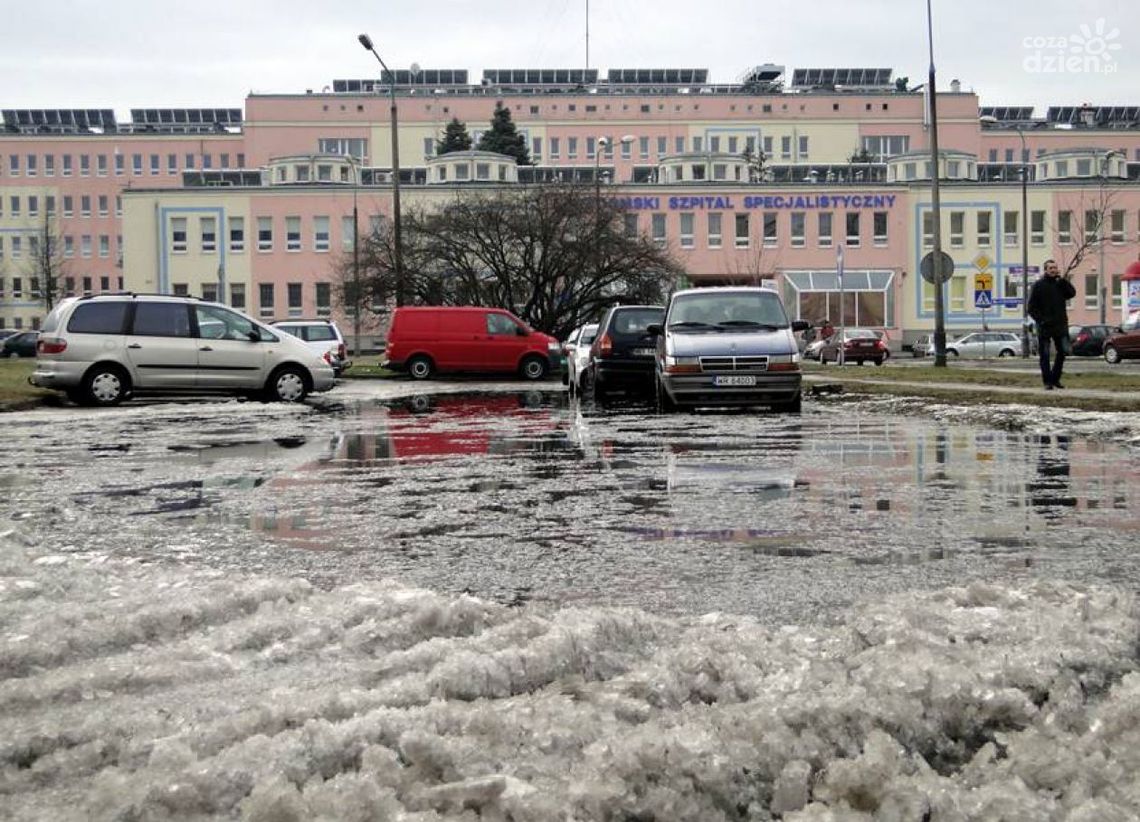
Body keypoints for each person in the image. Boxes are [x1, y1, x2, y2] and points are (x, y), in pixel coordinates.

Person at [1027, 259, 1076, 390]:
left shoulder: (1060, 284)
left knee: (1063, 352)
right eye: (1051, 268)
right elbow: (1031, 308)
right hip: (1045, 327)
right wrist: (1041, 320)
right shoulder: (1038, 286)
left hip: (1060, 325)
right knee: (1045, 354)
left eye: (1055, 268)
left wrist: (1063, 281)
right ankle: (1047, 381)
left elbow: (1072, 293)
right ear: (1046, 270)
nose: (1053, 270)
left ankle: (1055, 378)